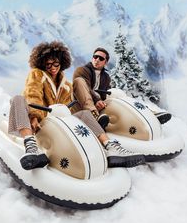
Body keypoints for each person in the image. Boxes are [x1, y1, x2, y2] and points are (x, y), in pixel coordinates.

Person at [8, 41, 145, 170]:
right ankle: (31, 147)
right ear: (42, 64)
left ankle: (109, 146)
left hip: (56, 123)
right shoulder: (36, 74)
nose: (53, 68)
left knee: (84, 114)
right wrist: (34, 116)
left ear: (61, 63)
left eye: (56, 64)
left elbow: (67, 107)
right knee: (18, 99)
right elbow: (33, 94)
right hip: (37, 122)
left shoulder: (66, 86)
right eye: (48, 65)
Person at [72, 47, 172, 126]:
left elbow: (106, 92)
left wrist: (105, 100)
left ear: (105, 62)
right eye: (95, 57)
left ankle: (149, 114)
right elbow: (85, 89)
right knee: (79, 81)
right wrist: (97, 100)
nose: (97, 60)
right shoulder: (82, 70)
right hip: (82, 104)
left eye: (101, 58)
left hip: (99, 104)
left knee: (117, 93)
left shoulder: (106, 77)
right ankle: (95, 116)